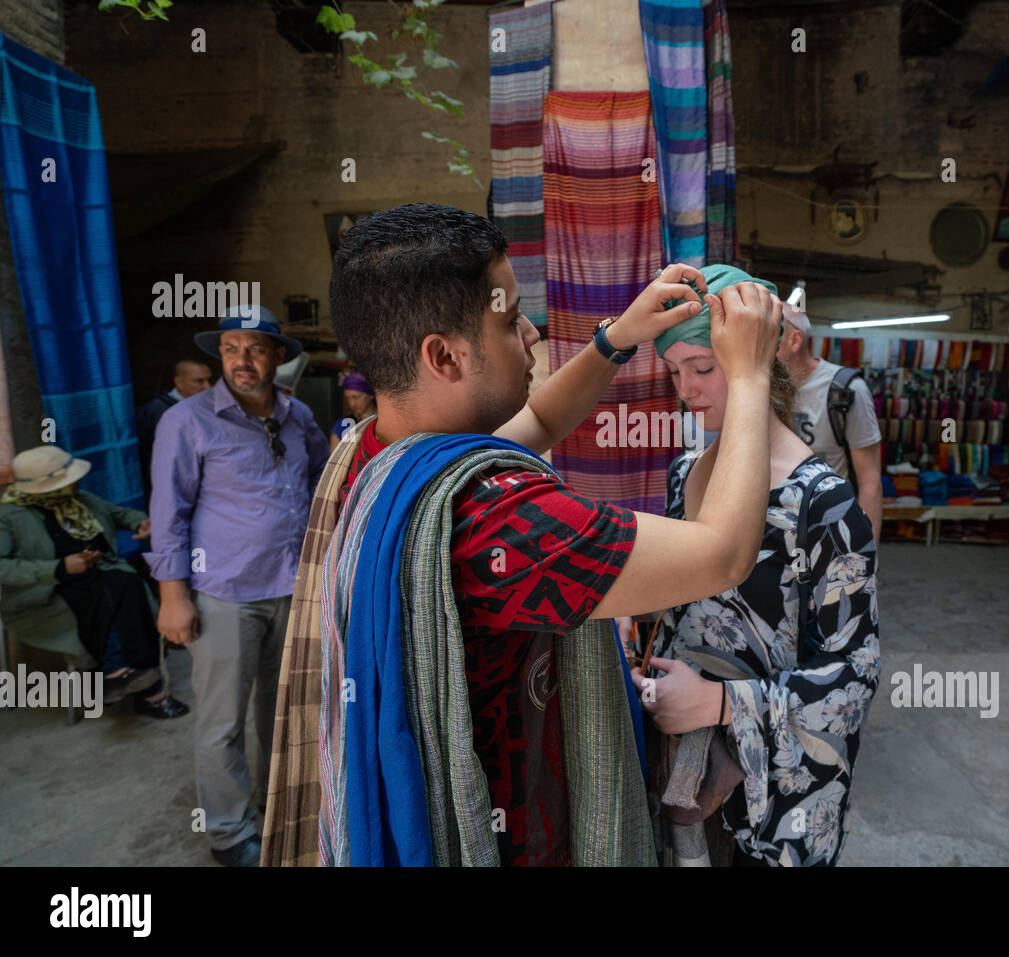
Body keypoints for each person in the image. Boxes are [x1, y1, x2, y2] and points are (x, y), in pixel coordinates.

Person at [262, 202, 783, 867]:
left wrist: (617, 338)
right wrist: (750, 374)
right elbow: (724, 554)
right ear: (444, 355)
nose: (532, 333)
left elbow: (537, 420)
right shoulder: (495, 517)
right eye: (509, 319)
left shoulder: (380, 453)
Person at [632, 264, 881, 867]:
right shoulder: (685, 473)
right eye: (674, 372)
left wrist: (721, 704)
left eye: (703, 368)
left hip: (773, 800)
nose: (686, 390)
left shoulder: (823, 504)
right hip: (681, 764)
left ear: (758, 361)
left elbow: (855, 675)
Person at [146, 305, 329, 868]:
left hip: (292, 588)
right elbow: (168, 511)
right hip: (225, 591)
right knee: (222, 720)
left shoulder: (299, 416)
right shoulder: (187, 421)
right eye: (230, 348)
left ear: (278, 356)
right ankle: (229, 833)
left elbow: (322, 483)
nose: (241, 360)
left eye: (255, 348)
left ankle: (278, 809)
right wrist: (173, 596)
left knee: (284, 711)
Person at [0, 445, 187, 717]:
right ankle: (143, 688)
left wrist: (140, 523)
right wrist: (59, 567)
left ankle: (120, 674)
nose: (77, 482)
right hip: (44, 594)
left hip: (100, 578)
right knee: (112, 593)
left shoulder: (81, 500)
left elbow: (118, 514)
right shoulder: (8, 517)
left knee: (125, 584)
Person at [777, 304, 883, 542]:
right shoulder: (759, 387)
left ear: (794, 340)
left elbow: (869, 481)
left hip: (830, 530)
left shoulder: (846, 391)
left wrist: (867, 552)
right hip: (776, 532)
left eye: (771, 333)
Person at [135, 359, 213, 497]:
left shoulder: (208, 407)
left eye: (209, 380)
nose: (207, 387)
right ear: (179, 383)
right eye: (199, 381)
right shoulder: (158, 412)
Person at [328, 371, 375, 449]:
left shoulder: (382, 423)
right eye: (347, 398)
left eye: (356, 397)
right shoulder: (343, 425)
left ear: (371, 395)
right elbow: (335, 454)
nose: (352, 403)